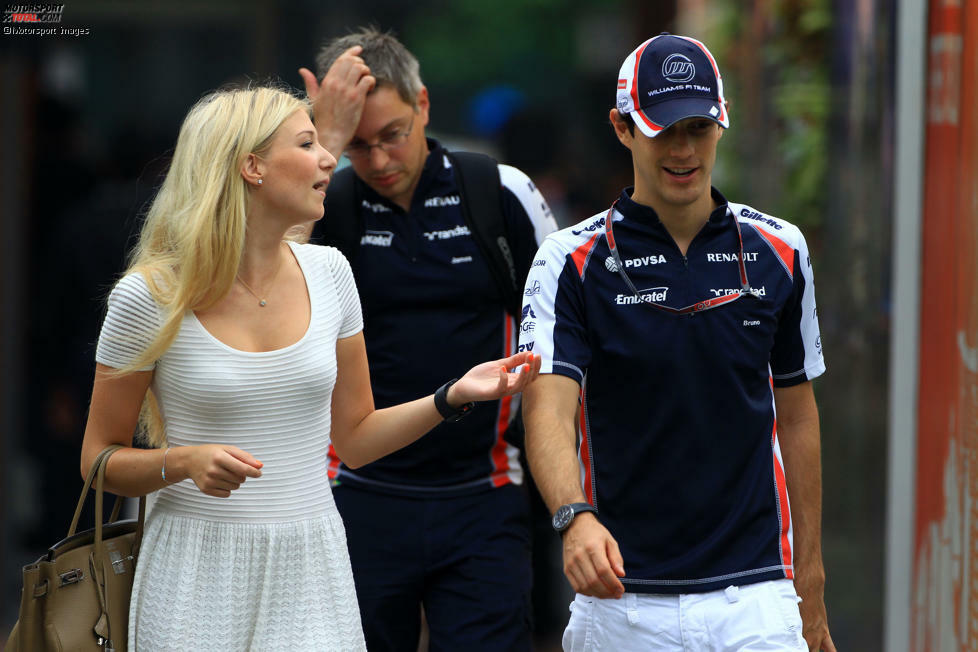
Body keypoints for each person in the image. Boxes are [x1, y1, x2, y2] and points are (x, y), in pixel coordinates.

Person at [79, 85, 540, 651]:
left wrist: (452, 396)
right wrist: (182, 461)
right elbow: (97, 459)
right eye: (308, 143)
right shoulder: (149, 296)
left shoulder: (330, 274)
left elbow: (356, 439)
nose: (331, 158)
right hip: (193, 566)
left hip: (311, 564)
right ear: (252, 166)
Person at [520, 33, 837, 652]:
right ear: (622, 128)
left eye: (699, 126)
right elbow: (547, 410)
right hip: (621, 600)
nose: (684, 149)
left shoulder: (781, 250)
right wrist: (572, 517)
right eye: (664, 129)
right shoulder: (567, 260)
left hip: (759, 597)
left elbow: (798, 417)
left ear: (723, 121)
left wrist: (813, 581)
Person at [296, 27, 558, 651]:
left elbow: (560, 327)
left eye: (393, 135)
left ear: (424, 107)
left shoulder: (500, 192)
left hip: (485, 494)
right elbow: (262, 291)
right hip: (355, 496)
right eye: (359, 146)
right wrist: (324, 145)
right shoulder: (321, 202)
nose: (381, 161)